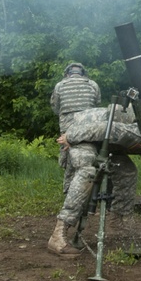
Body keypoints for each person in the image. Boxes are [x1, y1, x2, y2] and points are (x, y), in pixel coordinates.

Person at [47, 103, 141, 256]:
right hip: (83, 132)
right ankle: (58, 234)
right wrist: (70, 136)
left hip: (104, 142)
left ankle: (117, 219)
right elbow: (104, 129)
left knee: (128, 171)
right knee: (88, 171)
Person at [50, 63, 101, 193]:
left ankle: (69, 192)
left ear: (67, 74)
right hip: (89, 127)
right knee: (92, 157)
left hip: (68, 130)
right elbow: (97, 104)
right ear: (83, 73)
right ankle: (92, 193)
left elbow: (55, 108)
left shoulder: (60, 86)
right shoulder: (92, 84)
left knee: (69, 160)